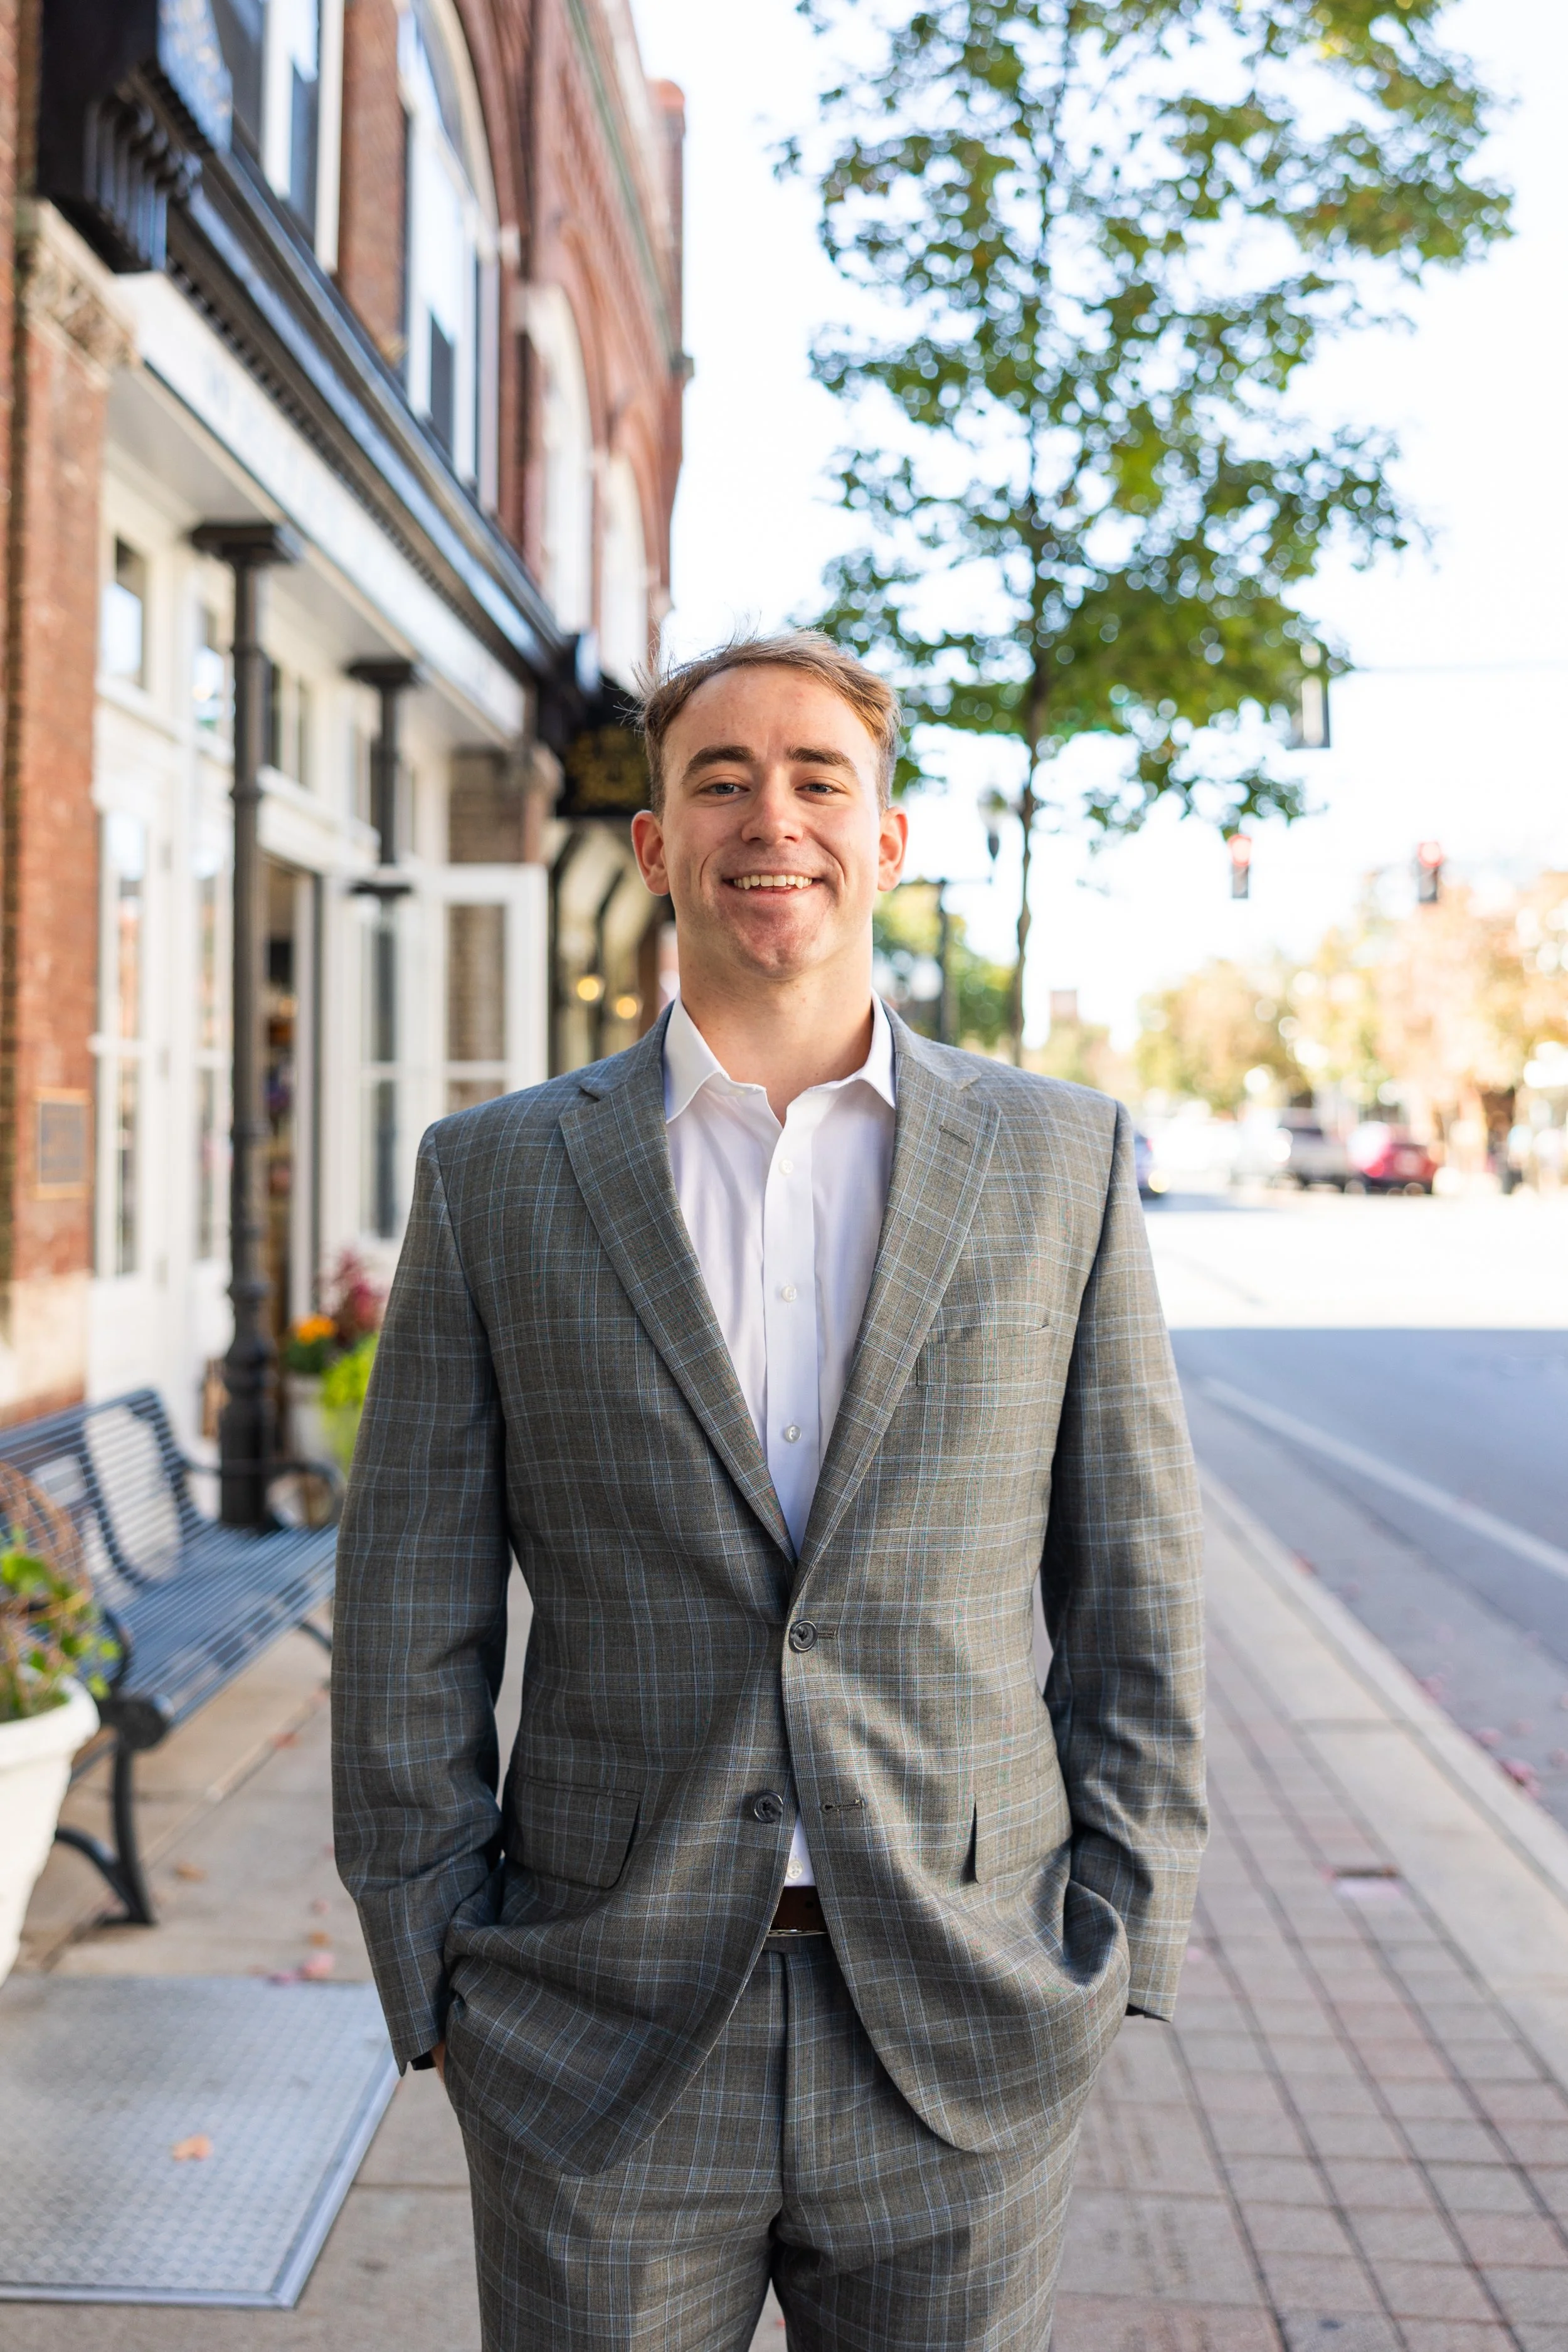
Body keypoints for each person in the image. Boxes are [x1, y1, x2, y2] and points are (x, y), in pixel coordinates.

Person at [332, 631, 1206, 2351]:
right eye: (717, 779)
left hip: (966, 2013)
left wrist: (1119, 1934)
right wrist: (436, 1959)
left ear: (886, 838)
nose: (769, 817)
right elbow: (405, 1606)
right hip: (599, 2025)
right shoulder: (498, 1176)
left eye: (818, 778)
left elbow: (1138, 1585)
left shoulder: (1060, 1160)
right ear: (654, 843)